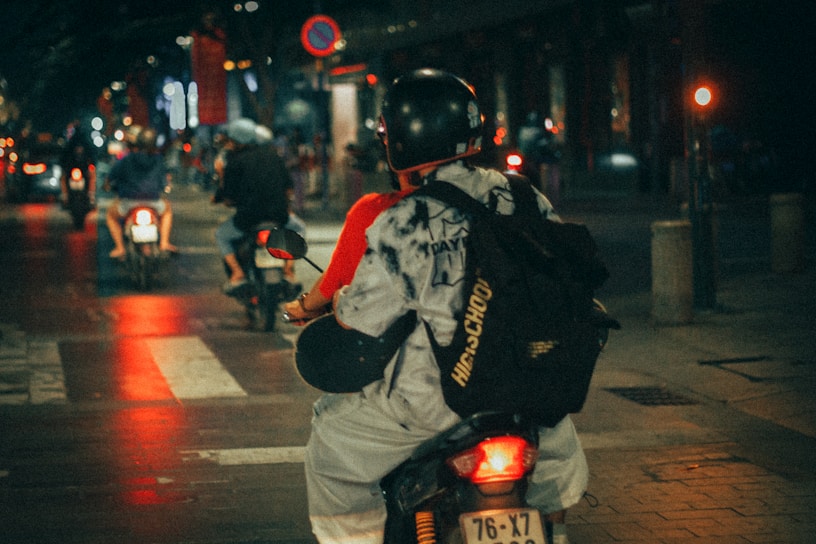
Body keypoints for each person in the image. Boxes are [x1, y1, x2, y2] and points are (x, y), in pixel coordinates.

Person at [304, 69, 588, 544]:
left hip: (434, 402)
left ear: (398, 140)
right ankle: (554, 538)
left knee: (330, 448)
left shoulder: (403, 220)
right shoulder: (523, 194)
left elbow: (359, 318)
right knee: (559, 463)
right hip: (535, 387)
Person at [214, 118, 303, 293]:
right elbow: (288, 187)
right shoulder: (273, 156)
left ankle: (238, 273)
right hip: (278, 216)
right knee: (298, 229)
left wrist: (221, 177)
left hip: (248, 219)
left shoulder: (234, 161)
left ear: (236, 140)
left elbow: (229, 197)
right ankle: (288, 270)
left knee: (221, 235)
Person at [105, 126, 176, 259]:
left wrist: (107, 185)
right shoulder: (159, 160)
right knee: (167, 211)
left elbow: (111, 177)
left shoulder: (126, 159)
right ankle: (164, 243)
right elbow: (164, 182)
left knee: (110, 215)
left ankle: (120, 248)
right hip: (154, 202)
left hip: (128, 203)